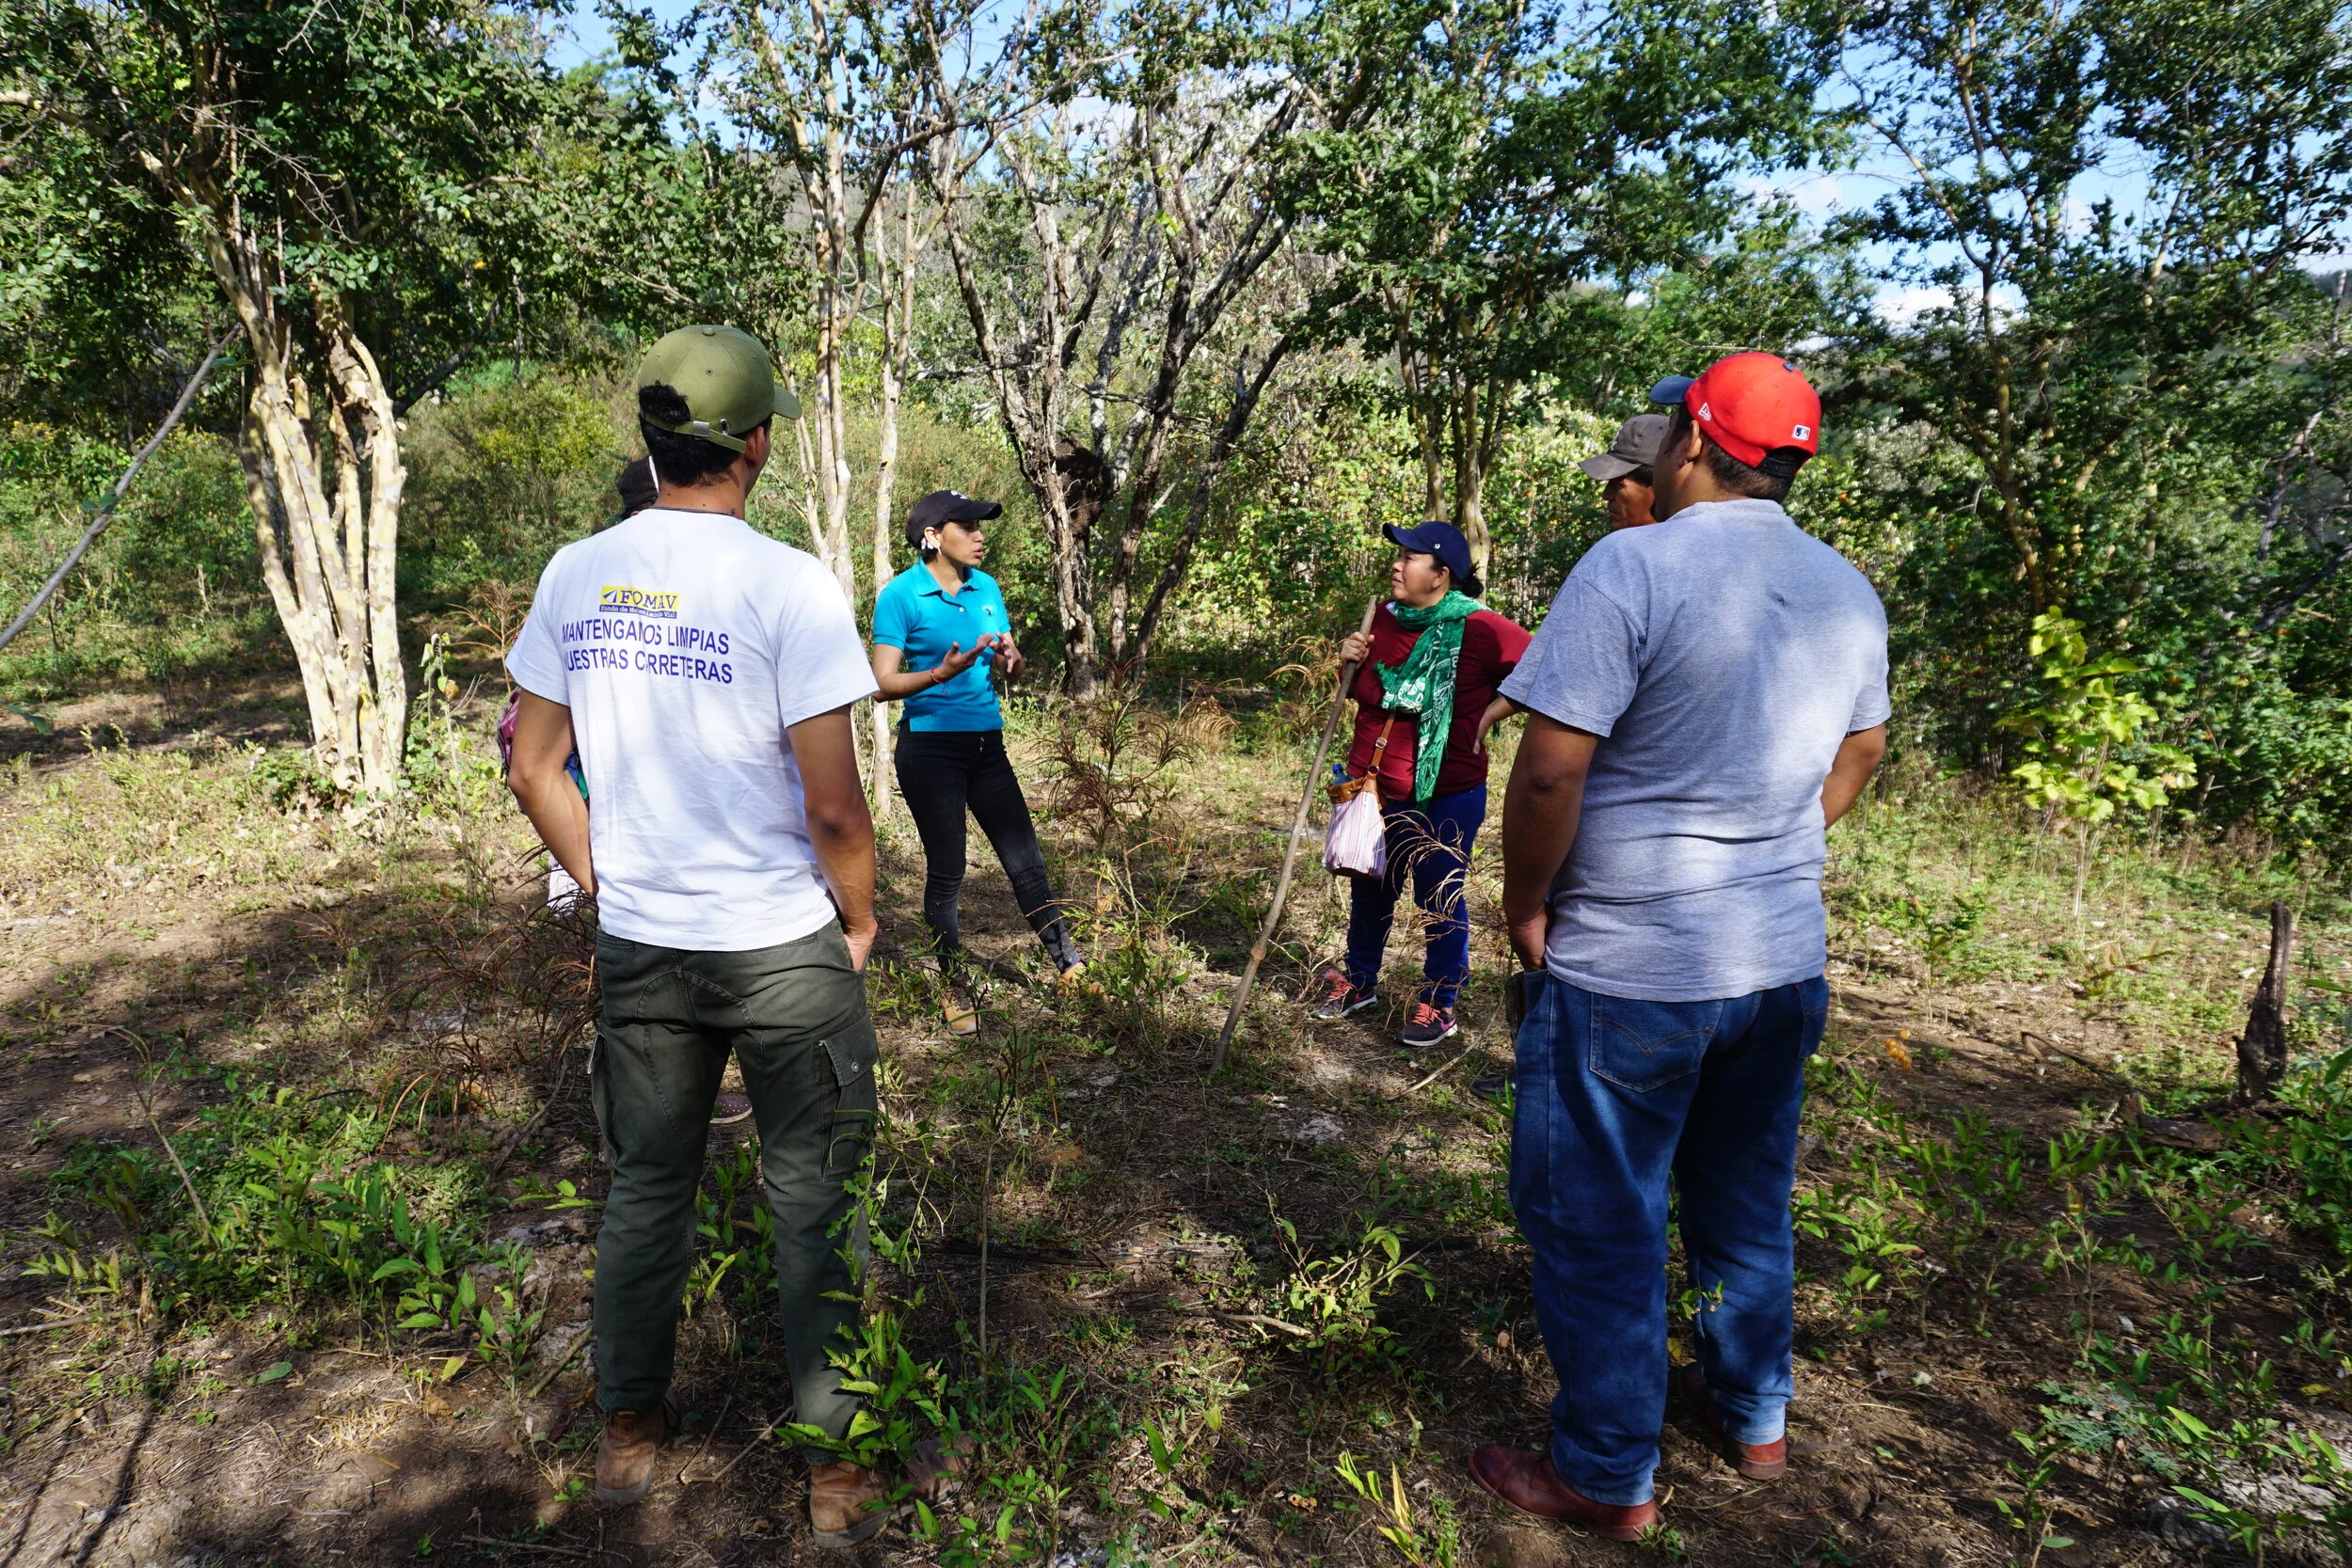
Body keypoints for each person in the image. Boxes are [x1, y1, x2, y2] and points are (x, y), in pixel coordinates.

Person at [1471, 354, 1888, 1540]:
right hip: (1777, 959)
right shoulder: (1844, 588)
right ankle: (1754, 1414)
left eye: (1664, 433)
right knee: (1743, 1194)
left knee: (1598, 1213)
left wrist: (1524, 903)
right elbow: (1858, 754)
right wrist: (1770, 844)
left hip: (1634, 967)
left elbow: (1550, 765)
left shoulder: (1632, 564)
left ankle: (1607, 1472)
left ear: (1691, 444)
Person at [505, 325, 910, 1544]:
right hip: (782, 944)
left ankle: (627, 1437)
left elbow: (531, 764)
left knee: (644, 1190)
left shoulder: (578, 570)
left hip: (646, 950)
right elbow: (833, 800)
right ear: (759, 443)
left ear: (651, 436)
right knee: (817, 1199)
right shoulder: (787, 582)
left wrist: (605, 879)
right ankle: (834, 1473)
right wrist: (863, 911)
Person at [870, 489, 1084, 1034]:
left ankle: (1070, 966)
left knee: (1026, 861)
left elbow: (1008, 662)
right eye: (967, 525)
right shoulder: (902, 596)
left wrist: (1012, 662)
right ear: (933, 536)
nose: (980, 534)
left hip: (988, 745)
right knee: (948, 872)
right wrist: (940, 673)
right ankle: (952, 983)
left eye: (981, 525)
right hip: (929, 750)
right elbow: (879, 685)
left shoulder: (986, 588)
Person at [1314, 521, 1530, 1049]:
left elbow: (1547, 668)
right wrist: (1348, 663)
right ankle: (1361, 981)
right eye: (1399, 554)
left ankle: (1440, 1000)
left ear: (1442, 574)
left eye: (1411, 557)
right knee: (1370, 887)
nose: (1397, 563)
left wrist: (1493, 714)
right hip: (1371, 787)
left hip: (1446, 792)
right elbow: (1366, 697)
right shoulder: (1381, 620)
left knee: (1439, 899)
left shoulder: (1481, 628)